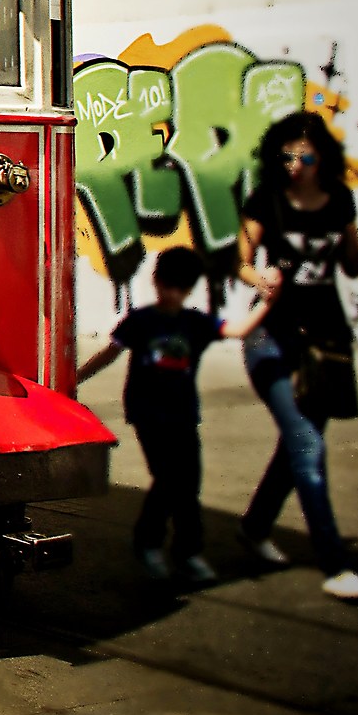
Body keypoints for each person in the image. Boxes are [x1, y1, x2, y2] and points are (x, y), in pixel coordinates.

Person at [233, 110, 358, 603]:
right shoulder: (265, 201)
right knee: (307, 445)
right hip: (271, 339)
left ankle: (254, 526)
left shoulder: (339, 203)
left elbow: (352, 266)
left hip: (325, 345)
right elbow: (242, 261)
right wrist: (259, 278)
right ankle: (335, 564)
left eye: (305, 156)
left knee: (298, 445)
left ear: (322, 158)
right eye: (287, 155)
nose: (295, 164)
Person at [76, 246, 275, 582]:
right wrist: (75, 378)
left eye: (179, 289)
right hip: (148, 414)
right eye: (167, 286)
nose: (171, 294)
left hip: (183, 415)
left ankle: (188, 551)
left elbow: (238, 331)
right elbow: (109, 353)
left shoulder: (194, 322)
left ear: (188, 289)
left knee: (188, 483)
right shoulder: (141, 320)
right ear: (156, 282)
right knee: (169, 479)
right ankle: (148, 544)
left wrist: (269, 302)